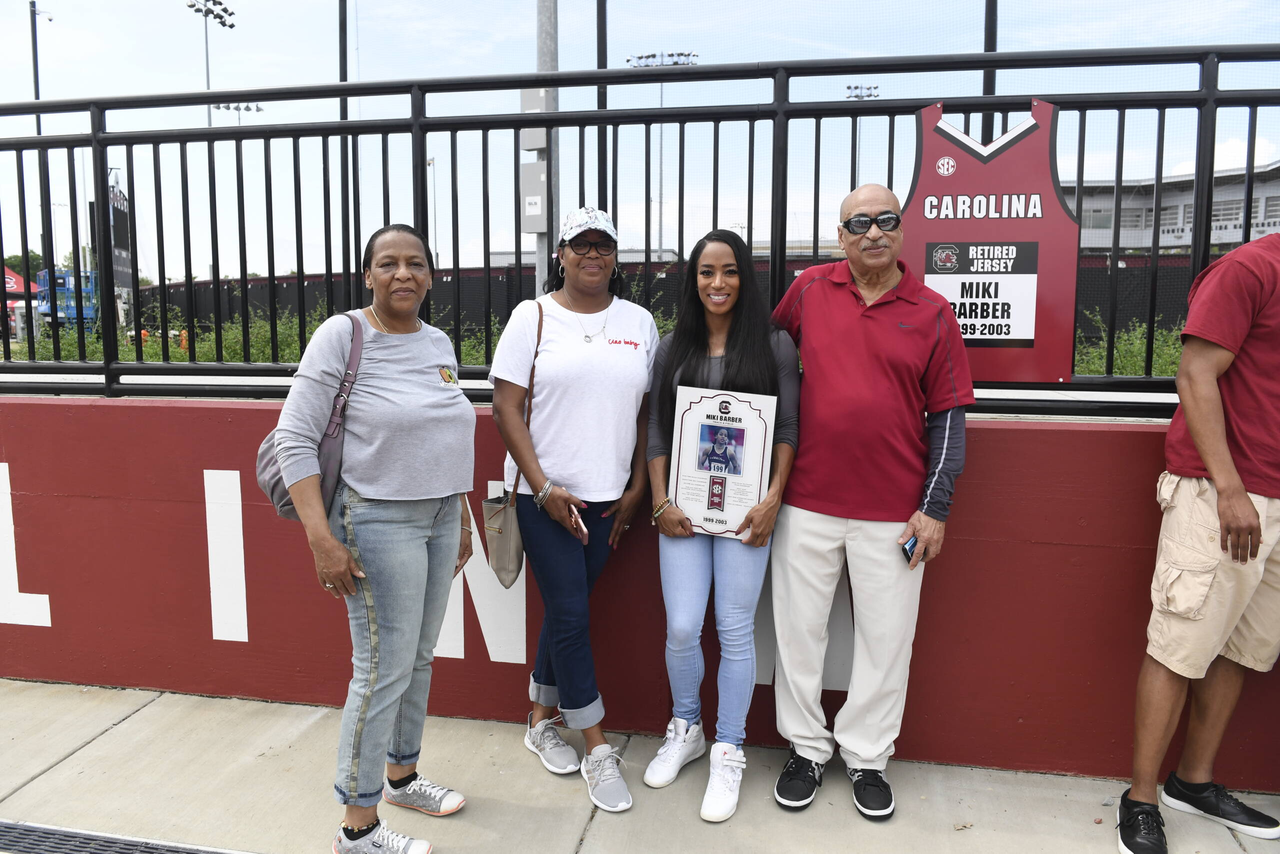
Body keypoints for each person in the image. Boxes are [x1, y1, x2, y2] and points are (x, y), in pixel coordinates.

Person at [768, 184, 974, 820]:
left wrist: (935, 507)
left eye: (886, 220)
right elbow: (767, 363)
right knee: (798, 635)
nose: (873, 233)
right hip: (805, 502)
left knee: (887, 641)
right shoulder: (807, 291)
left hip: (895, 513)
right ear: (840, 236)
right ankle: (805, 748)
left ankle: (866, 757)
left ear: (903, 231)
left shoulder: (935, 312)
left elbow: (948, 419)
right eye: (859, 224)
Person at [274, 224, 475, 854]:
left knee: (416, 656)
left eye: (416, 263)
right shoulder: (343, 334)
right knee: (381, 670)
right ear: (368, 275)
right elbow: (294, 438)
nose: (403, 275)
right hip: (375, 520)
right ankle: (356, 830)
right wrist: (320, 537)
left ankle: (402, 775)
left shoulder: (437, 340)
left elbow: (444, 432)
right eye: (388, 264)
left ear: (431, 276)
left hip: (440, 516)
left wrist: (461, 514)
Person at [489, 206, 658, 813]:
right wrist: (543, 488)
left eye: (604, 245)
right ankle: (595, 745)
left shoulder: (638, 322)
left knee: (568, 612)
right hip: (546, 499)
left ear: (616, 256)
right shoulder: (532, 317)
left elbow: (646, 414)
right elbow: (505, 406)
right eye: (580, 244)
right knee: (569, 612)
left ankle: (538, 720)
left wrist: (640, 486)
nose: (593, 255)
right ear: (559, 254)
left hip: (611, 498)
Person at [1116, 235, 1280, 854]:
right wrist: (1230, 489)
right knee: (1179, 645)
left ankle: (1195, 781)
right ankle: (1140, 797)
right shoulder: (1249, 270)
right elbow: (1195, 373)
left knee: (1243, 647)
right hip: (1222, 496)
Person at [643, 229, 800, 822]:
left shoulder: (773, 344)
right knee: (683, 626)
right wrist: (659, 501)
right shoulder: (671, 346)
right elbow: (658, 430)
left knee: (734, 628)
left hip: (745, 514)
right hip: (680, 511)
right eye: (706, 272)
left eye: (729, 271)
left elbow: (787, 428)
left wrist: (772, 500)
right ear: (692, 280)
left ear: (744, 277)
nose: (717, 283)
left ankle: (728, 747)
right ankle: (688, 727)